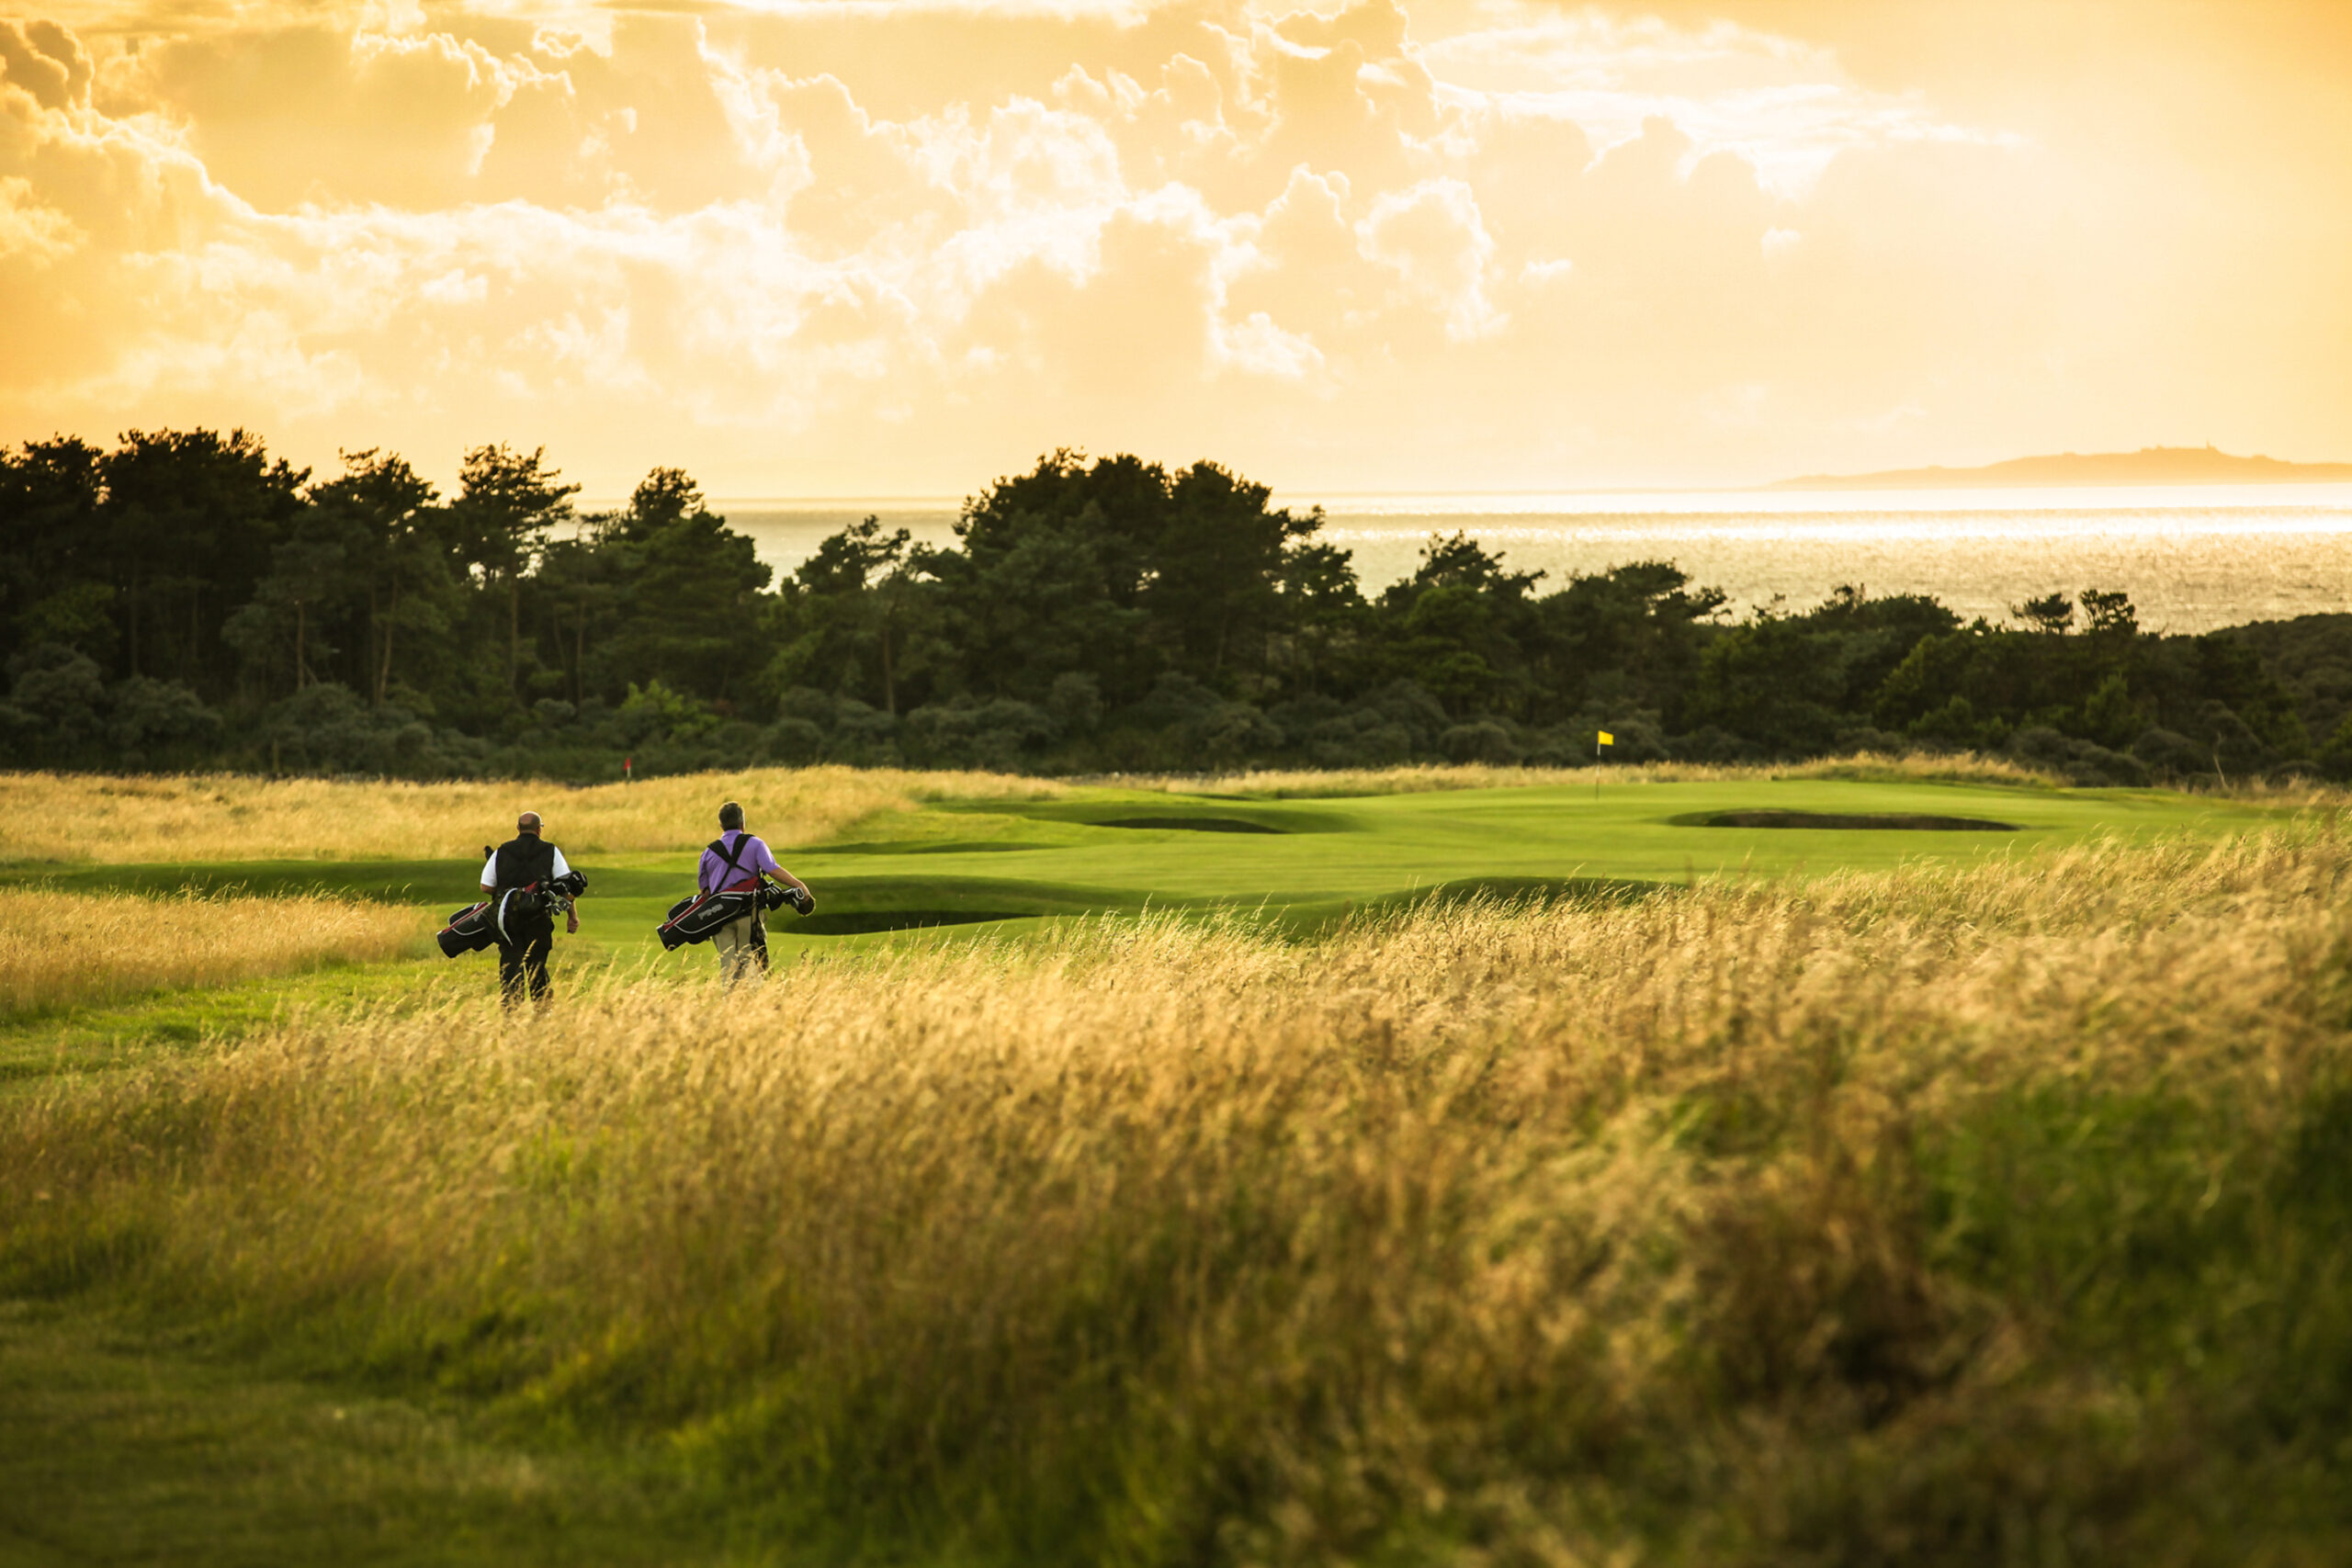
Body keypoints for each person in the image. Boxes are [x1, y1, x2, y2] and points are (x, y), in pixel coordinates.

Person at [699, 800, 810, 985]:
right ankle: (753, 1007)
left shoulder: (708, 852)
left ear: (721, 824)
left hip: (719, 916)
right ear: (743, 823)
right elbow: (772, 870)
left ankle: (731, 1005)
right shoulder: (755, 843)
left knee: (728, 967)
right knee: (751, 961)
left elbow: (704, 892)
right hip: (747, 913)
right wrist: (800, 886)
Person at [481, 809, 579, 1007]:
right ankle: (542, 1013)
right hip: (538, 920)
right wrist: (572, 916)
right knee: (536, 965)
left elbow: (486, 886)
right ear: (538, 830)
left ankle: (511, 1012)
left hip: (507, 921)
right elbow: (567, 887)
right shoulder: (550, 850)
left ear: (518, 828)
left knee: (510, 966)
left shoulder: (502, 851)